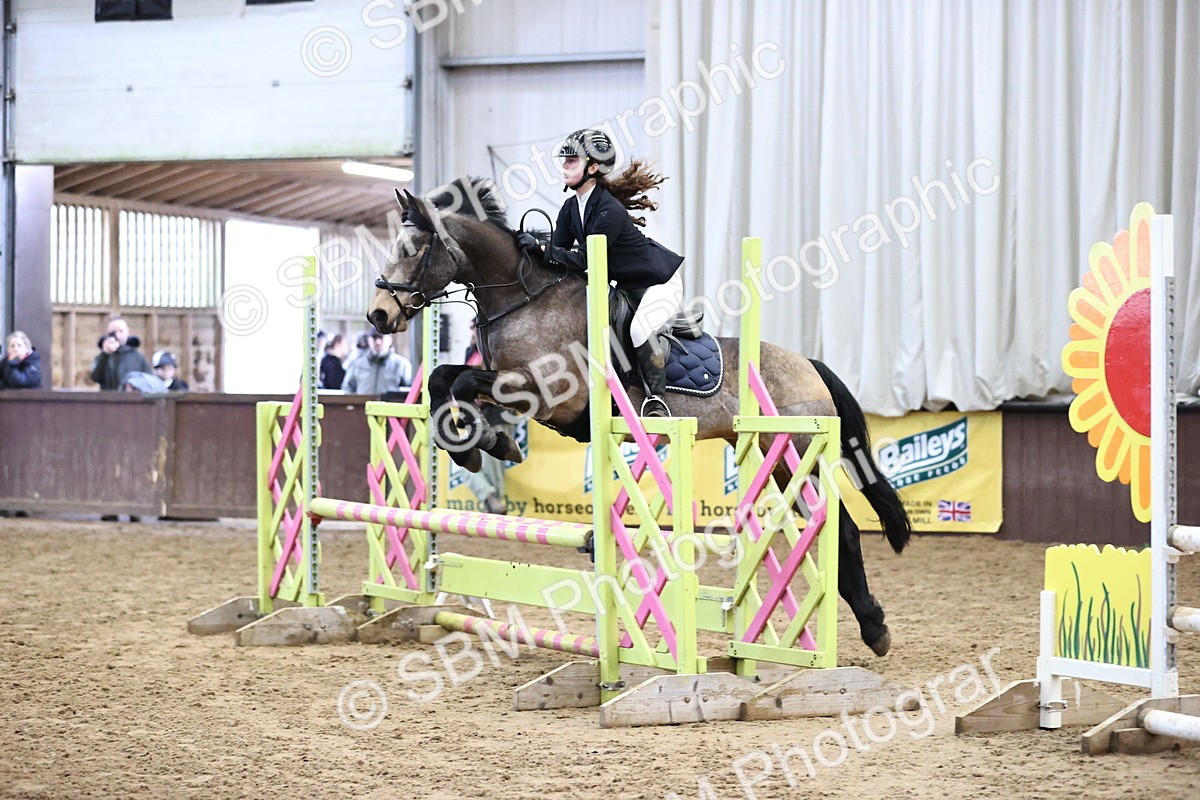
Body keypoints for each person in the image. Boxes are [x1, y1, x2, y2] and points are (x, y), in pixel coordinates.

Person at [546, 128, 684, 417]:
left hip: (658, 284)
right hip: (626, 288)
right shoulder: (571, 208)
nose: (565, 165)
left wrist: (539, 249)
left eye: (572, 160)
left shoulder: (609, 210)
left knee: (639, 329)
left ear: (592, 168)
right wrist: (533, 250)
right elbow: (556, 256)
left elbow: (584, 260)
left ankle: (656, 401)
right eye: (565, 159)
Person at [460, 320, 509, 515]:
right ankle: (491, 500)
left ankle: (494, 508)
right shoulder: (470, 351)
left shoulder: (495, 352)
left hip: (496, 416)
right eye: (473, 327)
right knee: (468, 463)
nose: (474, 332)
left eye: (477, 327)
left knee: (493, 470)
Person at [90, 316, 152, 391]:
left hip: (132, 400)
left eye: (121, 331)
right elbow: (95, 378)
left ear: (127, 332)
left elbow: (149, 380)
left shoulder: (138, 358)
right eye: (113, 332)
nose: (118, 336)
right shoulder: (102, 357)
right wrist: (105, 354)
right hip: (108, 400)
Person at [343, 332, 412, 395]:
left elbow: (410, 389)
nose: (378, 342)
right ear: (369, 340)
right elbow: (348, 388)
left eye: (381, 337)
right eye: (374, 338)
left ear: (390, 340)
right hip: (363, 407)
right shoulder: (357, 364)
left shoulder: (401, 364)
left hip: (391, 407)